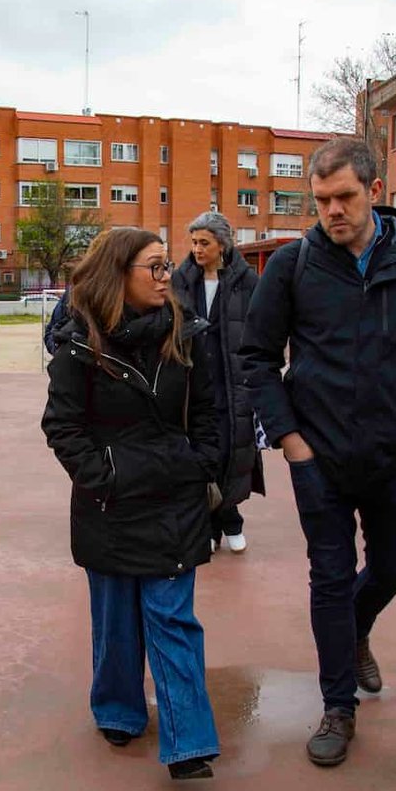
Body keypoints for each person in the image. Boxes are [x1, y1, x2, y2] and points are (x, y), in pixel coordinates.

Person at [241, 136, 396, 768]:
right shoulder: (293, 264)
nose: (333, 210)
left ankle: (356, 631)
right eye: (322, 199)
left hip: (394, 457)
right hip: (319, 458)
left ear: (375, 192)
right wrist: (292, 442)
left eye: (345, 197)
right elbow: (256, 358)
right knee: (329, 577)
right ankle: (338, 705)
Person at [42, 227, 222, 781]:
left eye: (168, 266)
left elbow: (214, 415)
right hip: (110, 507)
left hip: (175, 501)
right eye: (156, 267)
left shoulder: (188, 336)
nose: (169, 276)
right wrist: (104, 477)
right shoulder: (79, 344)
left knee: (172, 619)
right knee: (116, 618)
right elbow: (62, 425)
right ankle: (118, 710)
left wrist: (198, 467)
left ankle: (189, 741)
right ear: (119, 274)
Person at [170, 211, 263, 554]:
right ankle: (211, 523)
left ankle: (229, 517)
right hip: (192, 383)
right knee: (199, 451)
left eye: (204, 242)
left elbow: (259, 331)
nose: (197, 249)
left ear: (221, 244)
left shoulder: (247, 282)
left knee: (231, 452)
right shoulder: (180, 279)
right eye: (193, 242)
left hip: (232, 384)